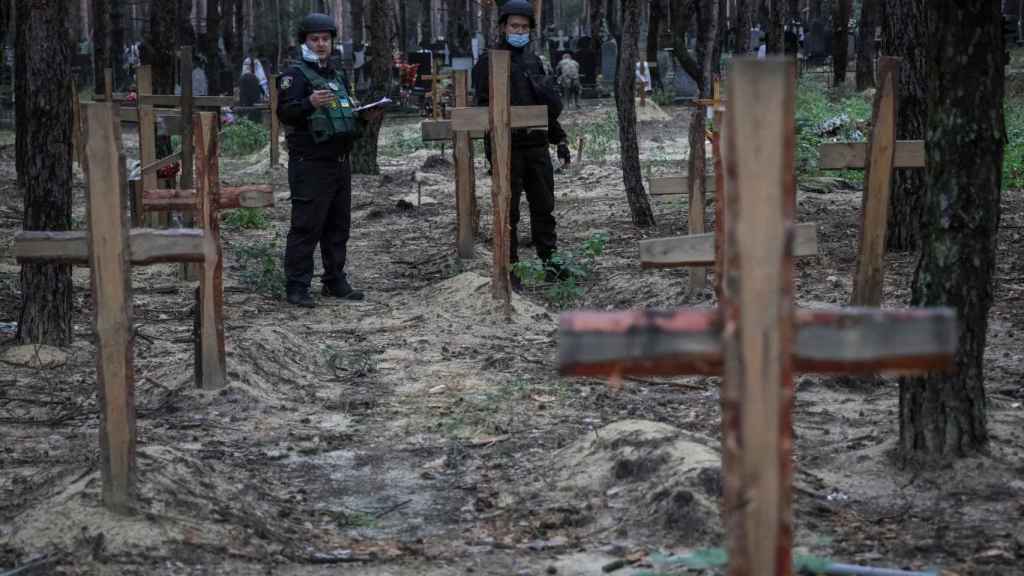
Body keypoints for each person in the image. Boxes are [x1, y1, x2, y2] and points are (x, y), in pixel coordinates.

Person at [276, 13, 385, 308]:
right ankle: (297, 286)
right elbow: (285, 113)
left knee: (338, 226)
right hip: (310, 162)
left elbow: (343, 115)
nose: (321, 44)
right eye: (315, 39)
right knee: (306, 225)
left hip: (339, 161)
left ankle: (334, 280)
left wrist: (363, 117)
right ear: (304, 41)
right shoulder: (293, 76)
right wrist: (308, 103)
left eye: (325, 39)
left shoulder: (336, 76)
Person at [472, 0, 572, 284]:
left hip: (537, 146)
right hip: (507, 148)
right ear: (503, 27)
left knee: (544, 207)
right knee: (508, 210)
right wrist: (493, 147)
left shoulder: (534, 61)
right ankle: (510, 267)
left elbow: (543, 108)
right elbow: (480, 110)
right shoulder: (488, 62)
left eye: (524, 27)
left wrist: (560, 138)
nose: (519, 31)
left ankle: (550, 262)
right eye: (514, 26)